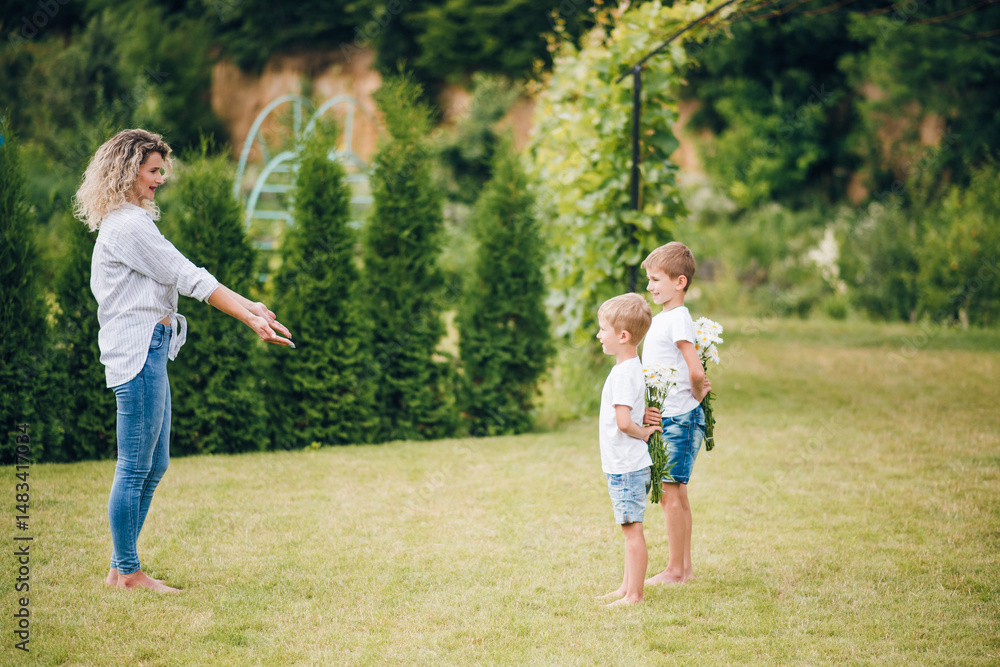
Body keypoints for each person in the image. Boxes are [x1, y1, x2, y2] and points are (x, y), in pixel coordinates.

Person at [73, 129, 294, 593]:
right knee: (135, 466)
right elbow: (187, 276)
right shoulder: (128, 225)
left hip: (151, 348)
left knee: (154, 465)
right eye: (153, 171)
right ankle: (128, 572)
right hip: (138, 351)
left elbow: (186, 275)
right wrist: (248, 317)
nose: (159, 180)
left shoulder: (130, 220)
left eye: (161, 172)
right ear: (128, 169)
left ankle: (121, 568)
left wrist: (251, 306)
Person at [640, 242, 710, 585]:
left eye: (656, 279)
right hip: (673, 416)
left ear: (679, 282)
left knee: (671, 494)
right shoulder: (666, 318)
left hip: (680, 417)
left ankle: (675, 571)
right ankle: (683, 569)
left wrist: (696, 395)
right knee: (676, 493)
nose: (650, 286)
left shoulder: (678, 319)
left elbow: (695, 369)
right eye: (650, 280)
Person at [595, 293, 662, 606]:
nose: (599, 335)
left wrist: (644, 432)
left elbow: (624, 422)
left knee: (632, 531)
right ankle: (626, 587)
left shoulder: (624, 373)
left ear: (622, 336)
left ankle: (634, 594)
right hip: (625, 464)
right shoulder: (632, 367)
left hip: (627, 465)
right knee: (628, 527)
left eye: (603, 330)